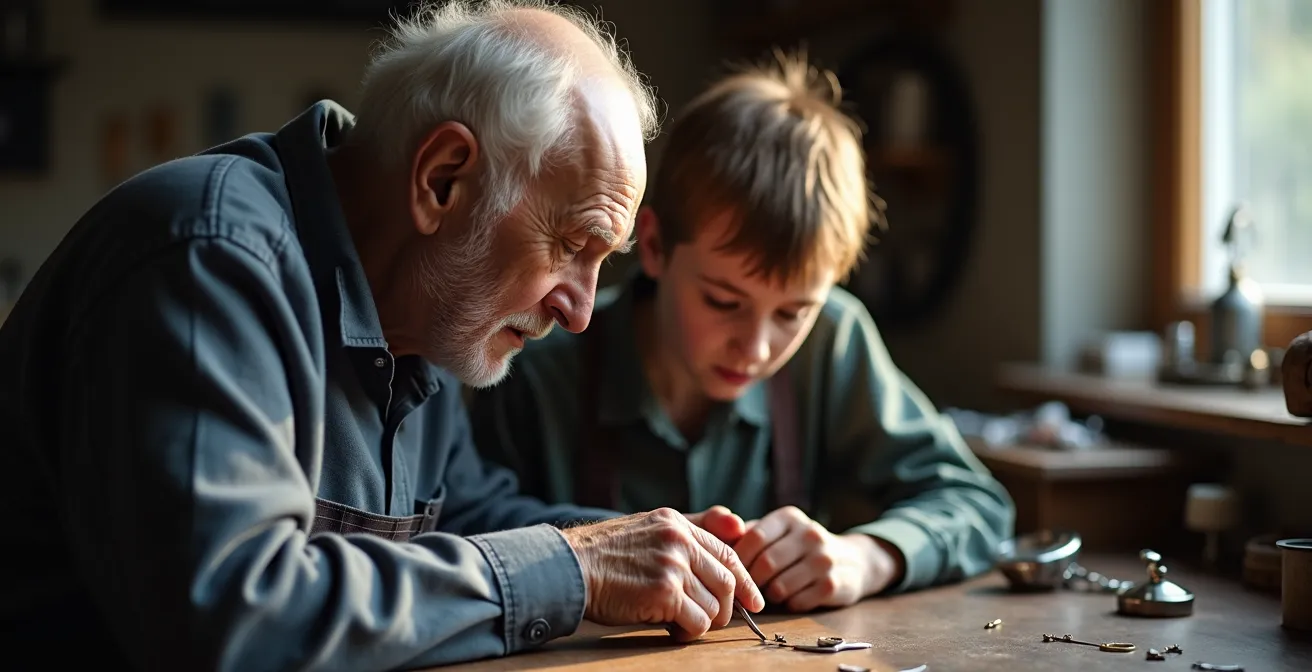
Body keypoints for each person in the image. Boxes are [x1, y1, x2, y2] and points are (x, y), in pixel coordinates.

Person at [0, 2, 766, 670]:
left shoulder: (420, 309)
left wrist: (679, 553)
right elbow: (233, 620)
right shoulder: (206, 259)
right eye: (572, 244)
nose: (580, 311)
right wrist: (575, 568)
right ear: (443, 179)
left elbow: (466, 518)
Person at [469, 52, 1016, 613]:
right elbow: (474, 530)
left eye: (791, 314)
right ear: (654, 247)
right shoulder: (535, 366)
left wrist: (866, 556)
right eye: (723, 301)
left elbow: (975, 502)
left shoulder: (832, 339)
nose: (756, 350)